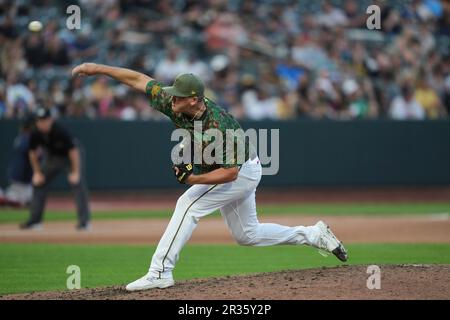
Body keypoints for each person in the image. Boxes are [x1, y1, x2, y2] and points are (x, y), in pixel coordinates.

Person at [71, 62, 348, 291]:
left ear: (194, 99)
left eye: (178, 95)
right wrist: (97, 69)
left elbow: (230, 173)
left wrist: (191, 180)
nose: (172, 97)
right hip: (238, 169)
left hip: (242, 171)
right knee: (247, 235)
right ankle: (311, 234)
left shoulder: (219, 124)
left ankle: (160, 272)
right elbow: (138, 79)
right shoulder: (175, 102)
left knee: (187, 204)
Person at [19, 107, 91, 230]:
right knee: (39, 183)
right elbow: (32, 153)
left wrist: (75, 172)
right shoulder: (35, 132)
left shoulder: (60, 131)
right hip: (53, 157)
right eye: (39, 120)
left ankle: (84, 222)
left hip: (70, 157)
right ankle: (35, 221)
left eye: (45, 120)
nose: (42, 123)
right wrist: (37, 172)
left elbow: (73, 151)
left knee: (77, 183)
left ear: (50, 120)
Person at [0, 115, 34, 207]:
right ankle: (5, 195)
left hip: (22, 178)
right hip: (20, 178)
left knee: (30, 201)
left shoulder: (21, 137)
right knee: (17, 201)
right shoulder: (26, 139)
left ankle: (7, 195)